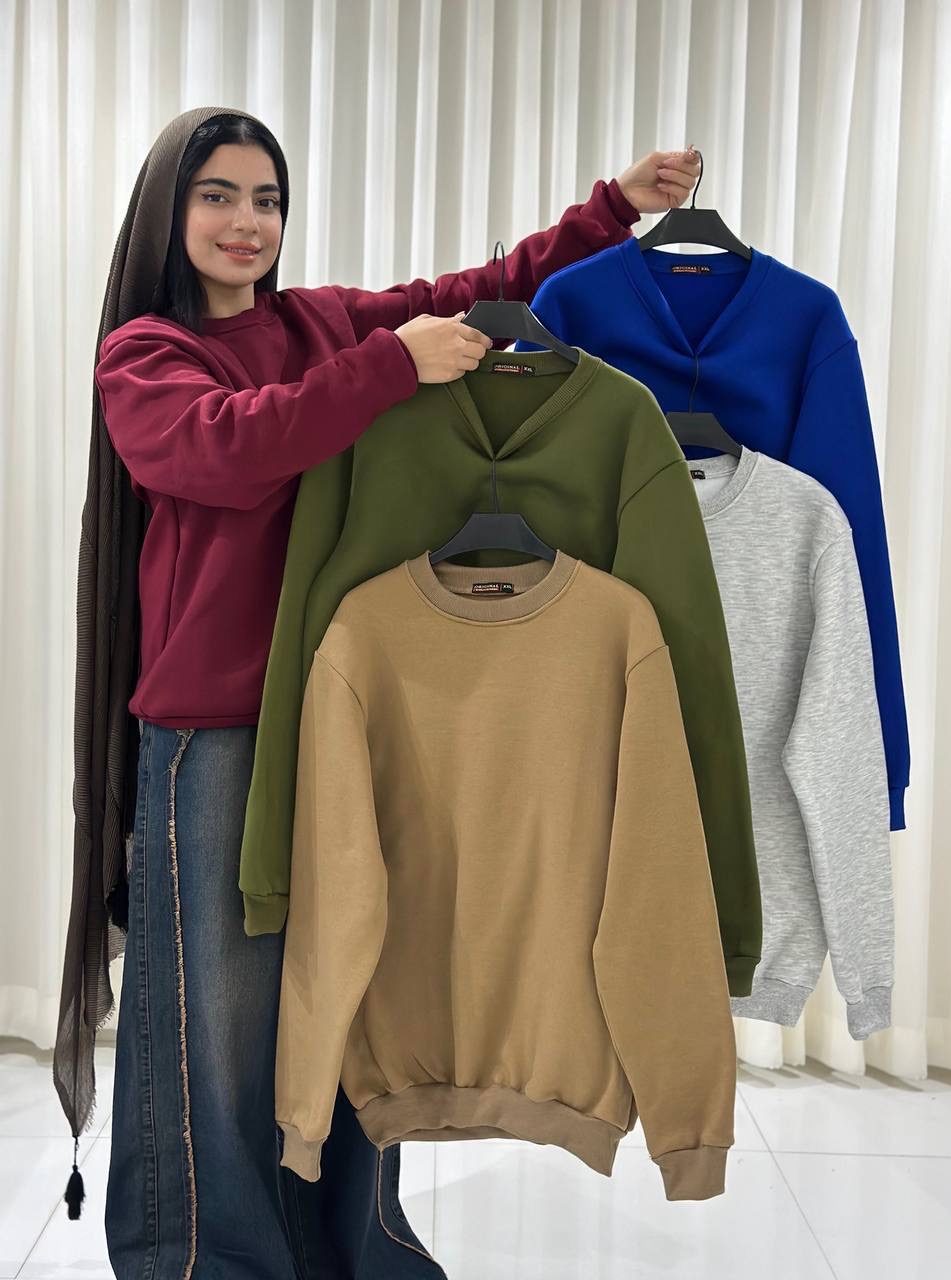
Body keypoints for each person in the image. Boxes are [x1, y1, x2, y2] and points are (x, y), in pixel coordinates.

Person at [59, 105, 700, 1279]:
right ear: (167, 210)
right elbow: (230, 447)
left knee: (348, 1000)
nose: (246, 222)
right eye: (217, 195)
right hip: (216, 729)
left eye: (266, 199)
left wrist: (614, 206)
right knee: (220, 1024)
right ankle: (206, 1260)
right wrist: (390, 365)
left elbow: (481, 292)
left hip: (345, 709)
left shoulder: (316, 322)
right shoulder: (145, 354)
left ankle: (349, 1250)